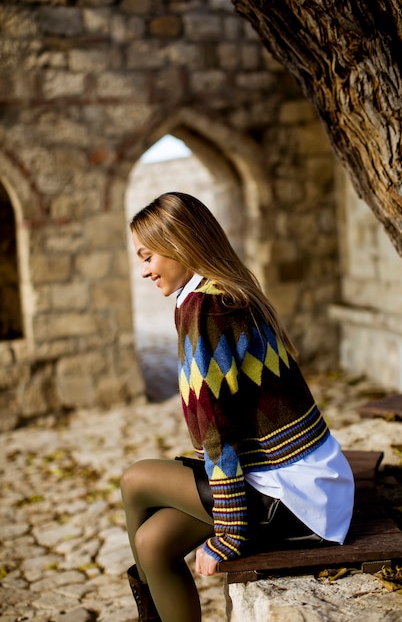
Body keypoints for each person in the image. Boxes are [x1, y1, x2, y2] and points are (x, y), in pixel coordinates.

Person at [121, 192, 355, 622]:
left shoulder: (204, 308)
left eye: (148, 256)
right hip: (320, 485)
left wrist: (229, 532)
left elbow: (216, 433)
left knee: (137, 479)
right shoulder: (224, 289)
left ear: (178, 244)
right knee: (154, 543)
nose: (143, 270)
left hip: (295, 500)